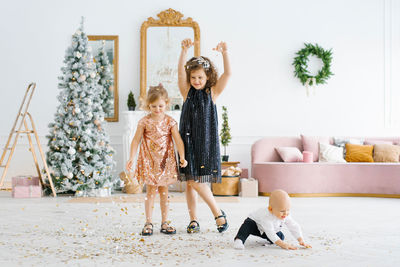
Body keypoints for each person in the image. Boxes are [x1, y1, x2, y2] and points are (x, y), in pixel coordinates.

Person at [178, 38, 232, 233]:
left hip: (206, 143)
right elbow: (180, 74)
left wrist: (224, 52)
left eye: (200, 77)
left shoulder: (213, 93)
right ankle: (195, 219)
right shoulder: (186, 92)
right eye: (193, 78)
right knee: (190, 183)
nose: (197, 81)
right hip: (187, 143)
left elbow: (228, 73)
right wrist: (183, 51)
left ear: (207, 76)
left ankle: (217, 212)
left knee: (196, 182)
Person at [126, 84, 187, 236]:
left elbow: (178, 140)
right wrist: (131, 158)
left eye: (160, 106)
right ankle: (148, 222)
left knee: (164, 192)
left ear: (167, 103)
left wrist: (182, 156)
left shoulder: (170, 121)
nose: (157, 109)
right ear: (148, 105)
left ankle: (165, 222)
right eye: (154, 106)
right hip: (149, 161)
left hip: (165, 162)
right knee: (150, 192)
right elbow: (135, 140)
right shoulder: (144, 121)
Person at [233, 189, 312, 250]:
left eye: (288, 210)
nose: (286, 213)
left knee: (280, 237)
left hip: (267, 230)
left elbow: (293, 226)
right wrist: (283, 245)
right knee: (247, 226)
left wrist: (300, 239)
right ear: (271, 209)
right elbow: (270, 232)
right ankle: (239, 240)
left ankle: (274, 240)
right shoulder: (266, 216)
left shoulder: (286, 214)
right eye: (282, 211)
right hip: (256, 225)